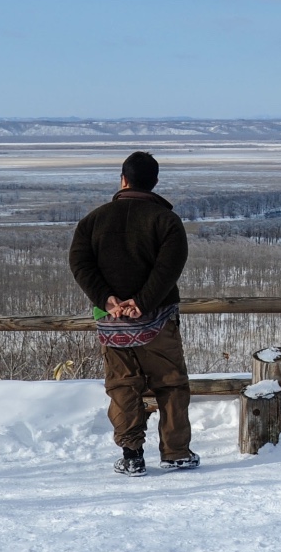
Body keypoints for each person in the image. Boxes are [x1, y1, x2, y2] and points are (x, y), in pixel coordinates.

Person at [69, 151, 196, 475]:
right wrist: (143, 301)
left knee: (123, 386)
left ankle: (131, 455)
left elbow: (81, 264)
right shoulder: (167, 221)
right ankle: (176, 452)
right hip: (158, 320)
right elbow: (169, 268)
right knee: (171, 384)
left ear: (123, 179)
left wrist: (108, 299)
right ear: (154, 183)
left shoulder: (93, 220)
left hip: (111, 323)